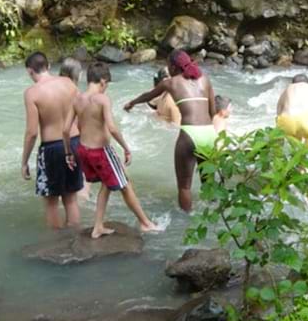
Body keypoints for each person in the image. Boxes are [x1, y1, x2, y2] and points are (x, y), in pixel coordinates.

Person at [67, 62, 159, 239]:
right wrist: (126, 147)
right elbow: (112, 128)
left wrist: (68, 152)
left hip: (83, 150)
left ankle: (98, 226)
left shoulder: (77, 99)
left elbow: (66, 129)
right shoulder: (102, 99)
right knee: (125, 184)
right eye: (107, 84)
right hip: (101, 151)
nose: (106, 87)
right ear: (102, 81)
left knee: (107, 184)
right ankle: (145, 223)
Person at [124, 50, 217, 212]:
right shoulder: (205, 80)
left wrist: (132, 103)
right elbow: (213, 112)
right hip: (209, 133)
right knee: (209, 182)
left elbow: (148, 95)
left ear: (174, 68)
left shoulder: (171, 83)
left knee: (184, 186)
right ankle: (216, 214)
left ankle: (185, 222)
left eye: (168, 66)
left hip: (190, 133)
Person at [22, 52, 83, 229]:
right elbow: (81, 114)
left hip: (52, 148)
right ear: (48, 66)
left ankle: (57, 246)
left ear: (29, 71)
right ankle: (76, 240)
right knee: (71, 199)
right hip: (74, 142)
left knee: (51, 202)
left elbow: (32, 132)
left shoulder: (32, 93)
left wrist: (24, 162)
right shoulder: (69, 83)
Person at [60, 57, 91, 202]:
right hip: (74, 140)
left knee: (62, 189)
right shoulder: (77, 94)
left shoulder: (52, 91)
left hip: (54, 142)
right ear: (77, 74)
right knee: (82, 183)